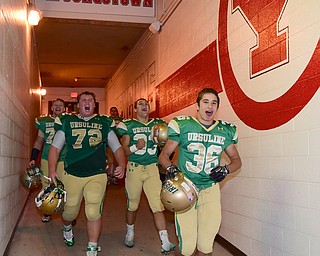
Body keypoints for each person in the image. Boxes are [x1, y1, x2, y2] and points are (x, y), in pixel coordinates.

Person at [159, 88, 242, 256]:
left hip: (210, 190)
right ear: (197, 105)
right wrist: (171, 168)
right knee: (187, 247)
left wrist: (225, 169)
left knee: (206, 245)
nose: (210, 106)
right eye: (205, 102)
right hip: (186, 188)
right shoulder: (183, 125)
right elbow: (164, 156)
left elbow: (237, 161)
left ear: (217, 107)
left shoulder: (225, 130)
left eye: (214, 102)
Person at [48, 91, 126, 256]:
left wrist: (122, 164)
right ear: (79, 104)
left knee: (93, 210)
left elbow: (117, 147)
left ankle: (92, 246)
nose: (87, 102)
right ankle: (67, 227)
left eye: (90, 99)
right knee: (69, 211)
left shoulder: (104, 122)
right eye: (84, 99)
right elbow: (55, 148)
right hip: (72, 173)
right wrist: (52, 170)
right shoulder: (67, 121)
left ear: (94, 104)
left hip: (96, 173)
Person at [117, 98, 175, 255]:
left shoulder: (157, 124)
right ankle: (130, 231)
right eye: (140, 104)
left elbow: (168, 143)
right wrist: (136, 146)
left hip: (151, 168)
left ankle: (165, 241)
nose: (144, 106)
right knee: (133, 205)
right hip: (134, 169)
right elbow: (124, 151)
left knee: (157, 205)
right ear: (135, 110)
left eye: (146, 104)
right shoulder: (129, 125)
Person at [29, 98, 66, 223]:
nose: (58, 107)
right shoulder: (44, 122)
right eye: (55, 105)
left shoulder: (68, 121)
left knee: (65, 185)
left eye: (60, 105)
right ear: (51, 108)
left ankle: (67, 214)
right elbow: (39, 142)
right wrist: (33, 158)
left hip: (64, 158)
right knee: (47, 185)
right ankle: (47, 210)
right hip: (46, 158)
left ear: (64, 108)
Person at [106, 106, 123, 185]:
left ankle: (114, 176)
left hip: (118, 143)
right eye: (111, 111)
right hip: (108, 143)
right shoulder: (107, 120)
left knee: (116, 160)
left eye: (115, 111)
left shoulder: (121, 121)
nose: (113, 112)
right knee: (110, 160)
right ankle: (109, 175)